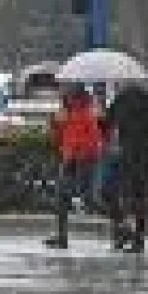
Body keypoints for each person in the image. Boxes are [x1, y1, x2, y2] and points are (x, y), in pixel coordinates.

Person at [45, 83, 105, 249]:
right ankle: (61, 236)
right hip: (69, 160)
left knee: (89, 199)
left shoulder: (85, 113)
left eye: (67, 94)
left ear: (75, 96)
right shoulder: (68, 113)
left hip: (84, 160)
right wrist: (55, 124)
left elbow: (93, 141)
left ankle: (121, 225)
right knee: (61, 198)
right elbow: (61, 138)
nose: (64, 97)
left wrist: (79, 154)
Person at [101, 80, 148, 253]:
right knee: (139, 197)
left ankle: (122, 233)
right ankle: (138, 239)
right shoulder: (147, 99)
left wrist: (103, 111)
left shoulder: (121, 99)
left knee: (112, 193)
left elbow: (106, 124)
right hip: (144, 155)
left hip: (125, 154)